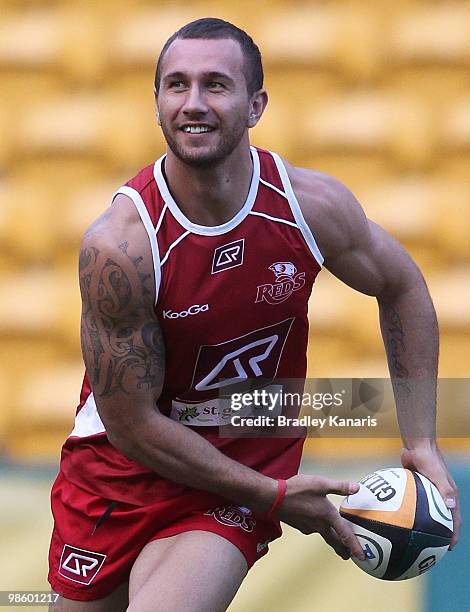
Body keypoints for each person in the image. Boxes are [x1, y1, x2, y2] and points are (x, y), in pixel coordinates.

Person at [47, 17, 460, 611]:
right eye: (176, 85)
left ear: (255, 104)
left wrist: (421, 442)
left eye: (216, 85)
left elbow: (403, 289)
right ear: (156, 102)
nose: (194, 103)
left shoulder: (307, 206)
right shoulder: (122, 246)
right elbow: (133, 425)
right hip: (121, 471)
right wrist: (274, 495)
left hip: (239, 468)